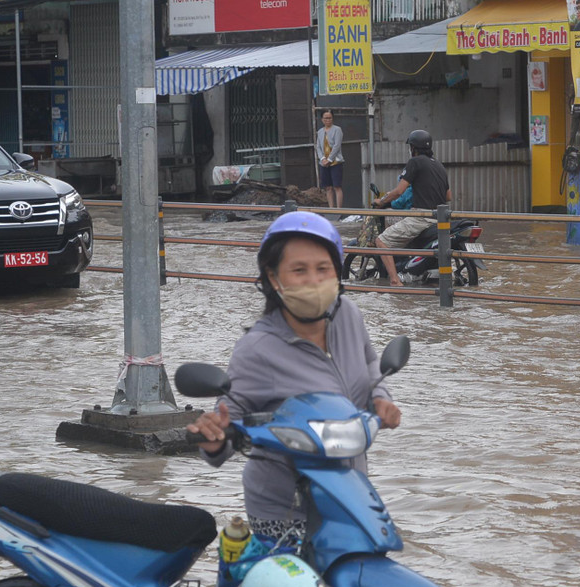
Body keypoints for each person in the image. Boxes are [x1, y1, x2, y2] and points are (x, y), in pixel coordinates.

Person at [187, 212, 401, 541]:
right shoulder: (257, 348)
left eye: (323, 269)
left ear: (337, 272)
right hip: (285, 511)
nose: (313, 281)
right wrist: (214, 437)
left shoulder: (349, 315)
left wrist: (380, 398)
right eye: (299, 270)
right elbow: (226, 425)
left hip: (349, 494)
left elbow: (371, 362)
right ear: (274, 279)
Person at [372, 129, 450, 287]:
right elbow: (449, 196)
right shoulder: (439, 165)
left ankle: (394, 281)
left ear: (413, 148)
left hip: (420, 218)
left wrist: (381, 201)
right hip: (440, 218)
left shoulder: (415, 162)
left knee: (381, 241)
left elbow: (399, 191)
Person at [315, 110, 344, 210]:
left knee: (337, 186)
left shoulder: (337, 130)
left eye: (330, 118)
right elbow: (318, 147)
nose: (328, 120)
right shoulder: (320, 132)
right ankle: (331, 209)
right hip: (324, 163)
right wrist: (323, 159)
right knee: (328, 187)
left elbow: (337, 146)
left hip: (335, 161)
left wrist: (330, 159)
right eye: (326, 118)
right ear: (322, 119)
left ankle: (339, 209)